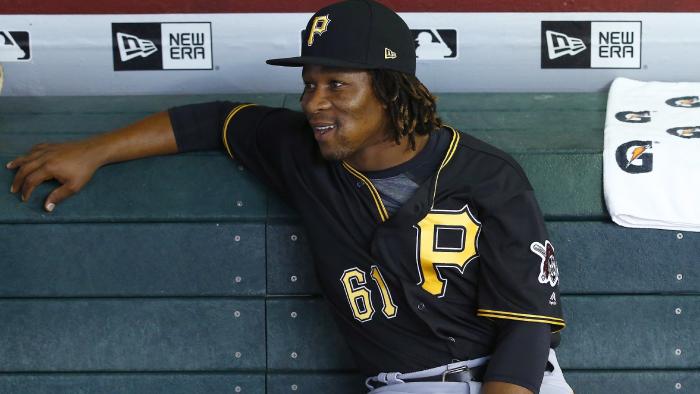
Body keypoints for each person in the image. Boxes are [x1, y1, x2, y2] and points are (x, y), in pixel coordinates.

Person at [6, 1, 572, 393]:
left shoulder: (488, 176)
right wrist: (94, 151)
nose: (313, 102)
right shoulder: (300, 151)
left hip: (519, 379)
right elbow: (212, 121)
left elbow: (526, 326)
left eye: (337, 86)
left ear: (392, 90)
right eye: (309, 84)